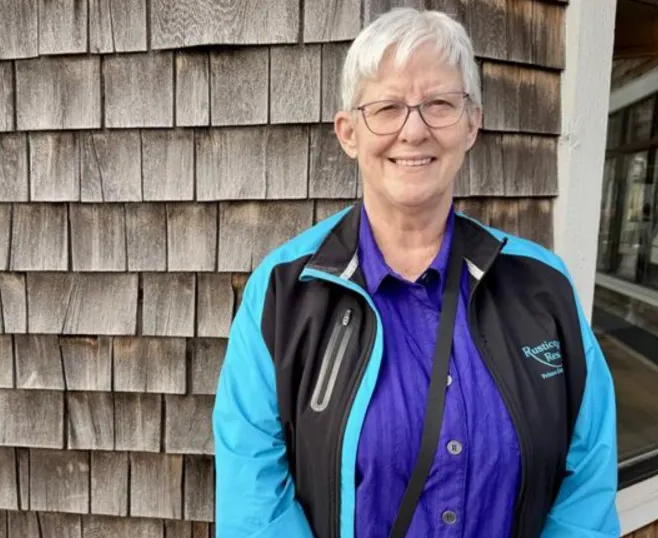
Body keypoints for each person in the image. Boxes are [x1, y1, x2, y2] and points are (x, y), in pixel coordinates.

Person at [211, 7, 620, 538]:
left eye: (439, 105)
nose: (414, 130)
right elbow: (253, 500)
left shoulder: (542, 286)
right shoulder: (285, 292)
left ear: (471, 124)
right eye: (387, 108)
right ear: (349, 132)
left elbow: (586, 482)